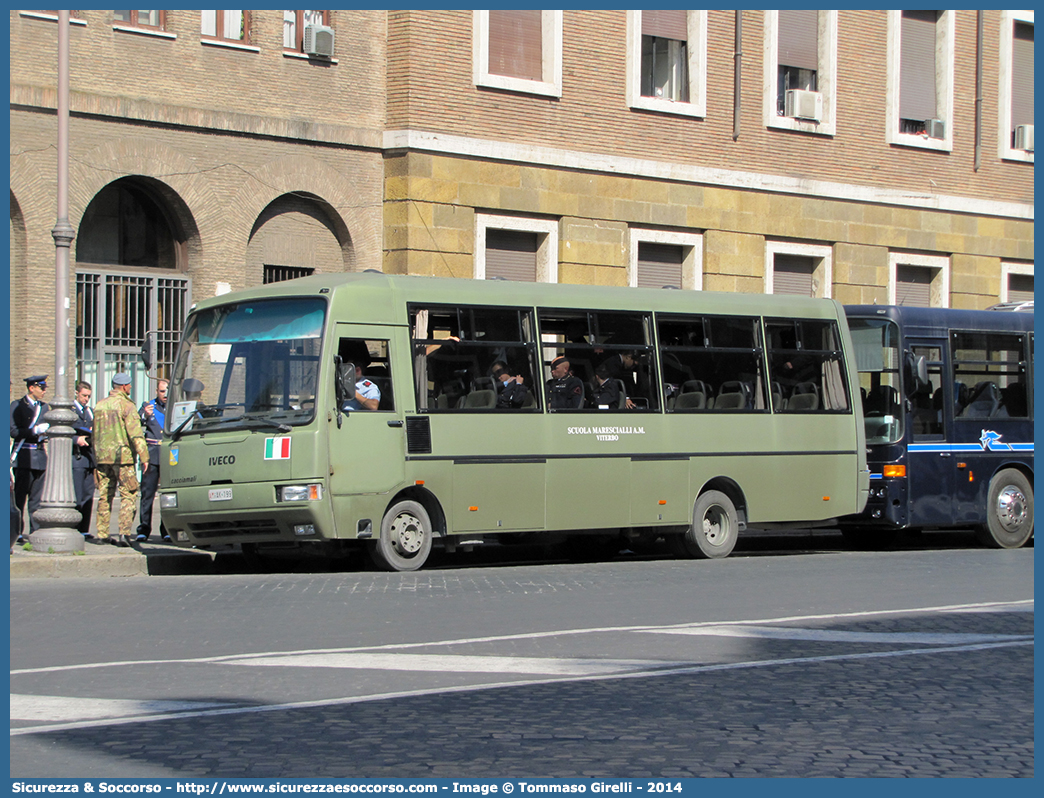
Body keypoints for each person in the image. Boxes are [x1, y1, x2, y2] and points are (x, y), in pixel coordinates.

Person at [92, 373, 149, 547]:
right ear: (124, 387)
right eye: (129, 385)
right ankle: (124, 533)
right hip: (123, 457)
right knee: (128, 494)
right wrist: (144, 456)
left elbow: (94, 434)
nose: (130, 388)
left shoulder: (99, 405)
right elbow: (135, 433)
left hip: (103, 458)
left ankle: (102, 534)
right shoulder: (127, 405)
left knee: (104, 495)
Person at [10, 375, 49, 541]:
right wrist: (34, 431)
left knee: (36, 500)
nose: (44, 391)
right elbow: (13, 431)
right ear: (31, 388)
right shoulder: (18, 405)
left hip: (39, 457)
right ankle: (16, 531)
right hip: (24, 456)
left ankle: (35, 531)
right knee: (20, 498)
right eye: (41, 387)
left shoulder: (45, 407)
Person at [136, 379, 169, 542]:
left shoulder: (174, 407)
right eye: (162, 391)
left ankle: (167, 529)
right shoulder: (148, 406)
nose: (165, 395)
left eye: (167, 391)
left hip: (169, 455)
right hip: (152, 454)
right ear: (157, 391)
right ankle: (144, 528)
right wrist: (145, 415)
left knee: (168, 494)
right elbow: (137, 420)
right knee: (147, 493)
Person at [71, 380, 95, 539]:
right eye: (84, 395)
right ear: (77, 393)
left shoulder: (90, 412)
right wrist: (76, 439)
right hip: (77, 457)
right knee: (77, 495)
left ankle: (84, 529)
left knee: (88, 494)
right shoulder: (70, 410)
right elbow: (63, 431)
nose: (86, 399)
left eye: (88, 396)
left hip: (89, 458)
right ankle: (74, 528)